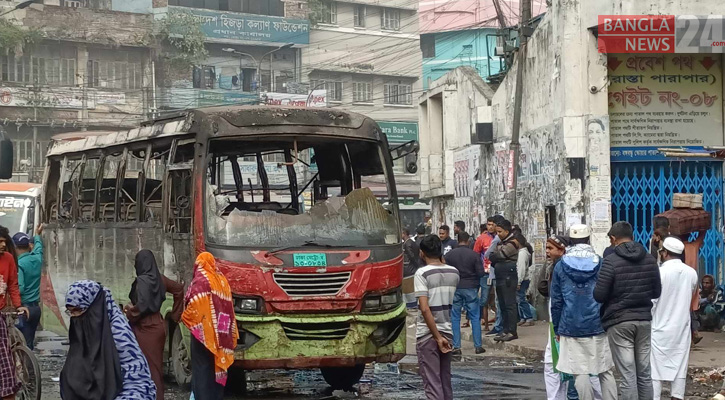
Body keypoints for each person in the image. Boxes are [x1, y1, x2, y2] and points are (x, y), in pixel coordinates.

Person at [594, 221, 661, 400]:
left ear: (613, 239)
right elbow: (657, 292)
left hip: (619, 322)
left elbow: (599, 295)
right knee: (644, 373)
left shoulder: (610, 261)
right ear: (632, 236)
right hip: (644, 320)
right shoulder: (649, 258)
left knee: (627, 374)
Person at [551, 225, 617, 400]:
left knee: (579, 371)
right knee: (605, 370)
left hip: (571, 325)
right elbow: (608, 295)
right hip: (598, 324)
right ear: (589, 239)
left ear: (571, 241)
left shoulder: (560, 266)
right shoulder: (600, 262)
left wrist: (557, 328)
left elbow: (557, 301)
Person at [61, 280, 156, 400]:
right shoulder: (86, 332)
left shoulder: (118, 333)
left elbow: (137, 381)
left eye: (78, 311)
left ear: (95, 308)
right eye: (70, 312)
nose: (74, 317)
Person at [124, 250, 184, 400]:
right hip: (159, 325)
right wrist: (176, 315)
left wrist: (129, 312)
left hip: (145, 327)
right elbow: (179, 289)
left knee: (146, 367)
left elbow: (142, 306)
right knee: (156, 366)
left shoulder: (142, 282)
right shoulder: (160, 279)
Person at [182, 252, 239, 400]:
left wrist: (186, 318)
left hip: (203, 334)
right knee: (216, 366)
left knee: (202, 368)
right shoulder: (222, 280)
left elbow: (192, 303)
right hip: (222, 333)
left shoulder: (201, 280)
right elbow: (229, 308)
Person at [650, 237, 699, 400]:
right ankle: (677, 396)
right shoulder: (691, 273)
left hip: (659, 328)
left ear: (664, 253)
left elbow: (652, 302)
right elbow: (690, 297)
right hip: (681, 329)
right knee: (680, 367)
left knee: (655, 370)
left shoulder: (659, 272)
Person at [414, 235, 460, 400]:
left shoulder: (422, 274)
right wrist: (441, 336)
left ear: (422, 253)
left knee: (433, 385)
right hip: (447, 331)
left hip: (428, 334)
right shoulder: (454, 272)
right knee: (445, 381)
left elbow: (425, 309)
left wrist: (436, 337)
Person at [445, 232, 485, 355]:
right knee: (475, 317)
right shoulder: (474, 255)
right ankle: (478, 346)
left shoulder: (449, 255)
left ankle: (456, 346)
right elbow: (481, 273)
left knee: (455, 317)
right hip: (471, 288)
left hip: (455, 288)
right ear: (468, 241)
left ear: (458, 241)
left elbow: (446, 271)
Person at [0, 227, 28, 400]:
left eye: (4, 241)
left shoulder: (9, 259)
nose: (3, 245)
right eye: (0, 242)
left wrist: (19, 306)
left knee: (6, 356)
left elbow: (13, 286)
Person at [12, 225, 43, 350]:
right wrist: (37, 235)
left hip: (24, 309)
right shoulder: (37, 258)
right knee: (29, 344)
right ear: (28, 246)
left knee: (20, 344)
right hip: (36, 308)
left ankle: (24, 369)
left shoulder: (19, 264)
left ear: (14, 247)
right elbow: (39, 248)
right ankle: (30, 369)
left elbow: (20, 288)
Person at [489, 219, 520, 342]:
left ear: (507, 231)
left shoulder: (513, 243)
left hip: (508, 276)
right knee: (502, 305)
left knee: (509, 305)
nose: (498, 234)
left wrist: (495, 256)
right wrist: (495, 256)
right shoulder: (501, 242)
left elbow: (499, 255)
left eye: (500, 232)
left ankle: (512, 331)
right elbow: (491, 255)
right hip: (500, 275)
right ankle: (505, 329)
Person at [473, 220, 495, 329]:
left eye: (492, 225)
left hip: (498, 273)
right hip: (485, 273)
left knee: (498, 301)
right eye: (489, 225)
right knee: (484, 300)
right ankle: (484, 324)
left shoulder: (501, 238)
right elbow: (475, 255)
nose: (490, 227)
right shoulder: (481, 239)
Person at [512, 226, 535, 326]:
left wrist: (518, 282)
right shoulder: (523, 252)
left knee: (521, 299)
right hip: (522, 279)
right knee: (519, 299)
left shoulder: (522, 254)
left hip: (522, 279)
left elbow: (520, 269)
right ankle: (523, 317)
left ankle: (528, 318)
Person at [402, 229, 421, 309]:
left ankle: (411, 305)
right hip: (411, 268)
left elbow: (412, 256)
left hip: (409, 269)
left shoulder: (407, 244)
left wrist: (416, 266)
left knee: (408, 289)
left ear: (404, 234)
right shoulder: (411, 242)